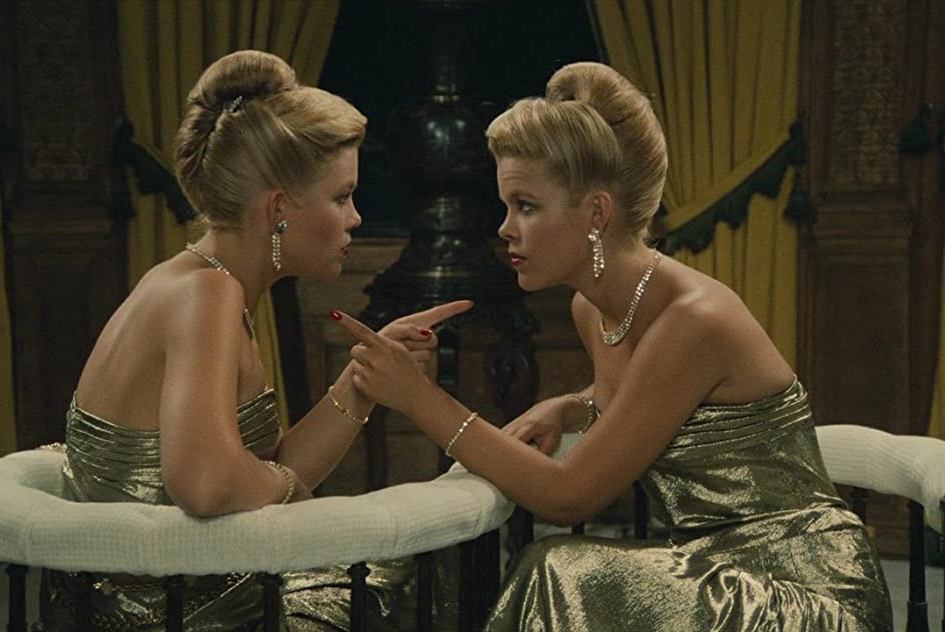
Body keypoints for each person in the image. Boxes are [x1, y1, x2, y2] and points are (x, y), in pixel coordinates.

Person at [332, 62, 893, 631]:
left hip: (808, 593)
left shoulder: (694, 320)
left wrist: (419, 398)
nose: (505, 228)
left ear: (596, 213)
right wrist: (573, 406)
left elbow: (568, 498)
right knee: (547, 566)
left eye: (526, 206)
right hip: (709, 573)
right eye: (506, 206)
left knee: (560, 569)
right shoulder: (593, 309)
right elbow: (636, 398)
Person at [39, 50, 470, 631]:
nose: (356, 218)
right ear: (279, 209)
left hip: (182, 591)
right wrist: (299, 502)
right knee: (413, 569)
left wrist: (360, 382)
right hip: (164, 615)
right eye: (341, 196)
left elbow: (251, 473)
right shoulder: (208, 295)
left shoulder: (200, 282)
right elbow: (209, 484)